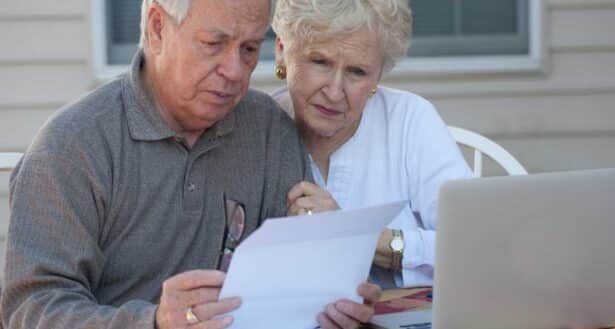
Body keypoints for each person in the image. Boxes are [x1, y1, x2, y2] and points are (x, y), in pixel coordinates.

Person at [1, 0, 380, 328]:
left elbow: (293, 282)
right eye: (213, 44)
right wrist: (152, 323)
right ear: (158, 28)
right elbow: (29, 309)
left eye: (248, 49)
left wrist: (331, 295)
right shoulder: (72, 146)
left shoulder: (268, 130)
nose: (234, 70)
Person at [271, 0, 473, 288]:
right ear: (282, 50)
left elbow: (474, 242)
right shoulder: (254, 132)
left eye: (357, 72)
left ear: (378, 75)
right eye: (320, 62)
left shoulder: (409, 120)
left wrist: (360, 237)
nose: (334, 91)